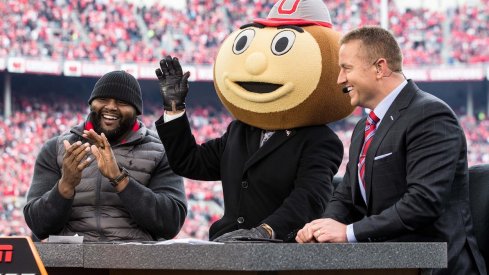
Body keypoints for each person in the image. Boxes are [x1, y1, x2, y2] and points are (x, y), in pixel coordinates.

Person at [154, 0, 355, 242]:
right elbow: (189, 162)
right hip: (227, 244)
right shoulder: (240, 130)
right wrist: (174, 108)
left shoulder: (320, 140)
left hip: (279, 249)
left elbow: (309, 197)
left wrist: (266, 231)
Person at [295, 26, 487, 274]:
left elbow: (423, 202)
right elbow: (346, 195)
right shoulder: (364, 126)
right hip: (385, 262)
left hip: (434, 266)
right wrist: (322, 228)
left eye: (347, 68)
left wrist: (348, 232)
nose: (340, 79)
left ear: (380, 68)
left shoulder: (430, 115)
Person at [24, 70, 187, 242]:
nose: (111, 107)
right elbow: (38, 225)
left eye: (122, 102)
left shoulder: (161, 151)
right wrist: (65, 185)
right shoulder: (56, 148)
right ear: (91, 104)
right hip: (71, 260)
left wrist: (120, 179)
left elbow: (171, 223)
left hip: (135, 261)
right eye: (103, 99)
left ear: (137, 110)